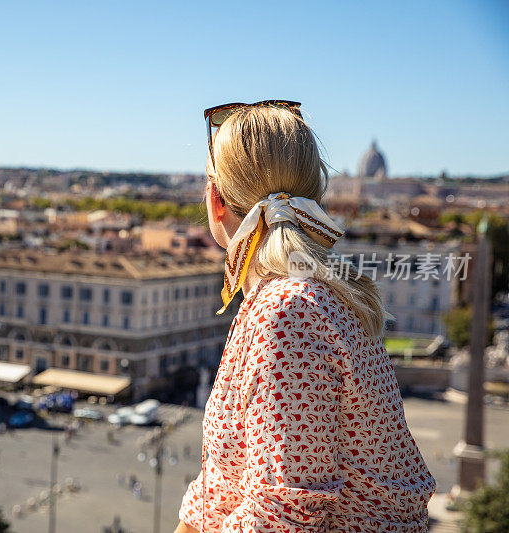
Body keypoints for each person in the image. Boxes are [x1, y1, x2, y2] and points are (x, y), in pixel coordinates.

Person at [174, 101, 436, 533]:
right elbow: (221, 487)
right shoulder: (298, 300)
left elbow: (284, 513)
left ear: (216, 200)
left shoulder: (289, 312)